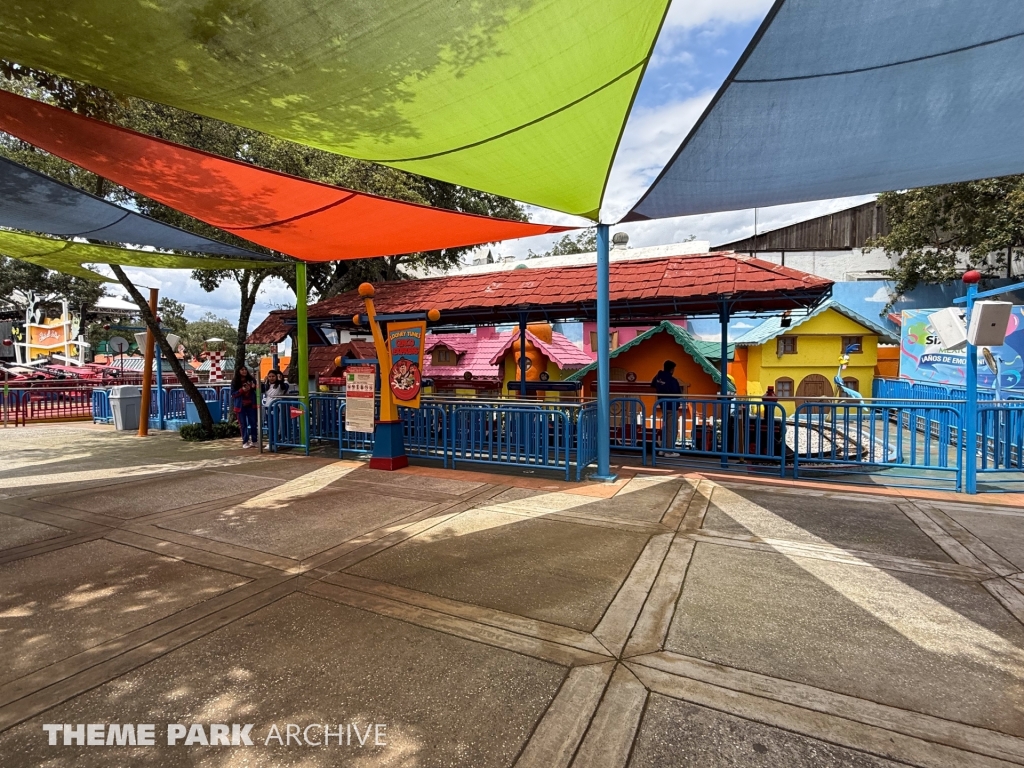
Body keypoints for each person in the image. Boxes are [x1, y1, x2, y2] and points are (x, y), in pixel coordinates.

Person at [651, 360, 682, 455]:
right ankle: (669, 451)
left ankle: (662, 449)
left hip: (663, 405)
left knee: (665, 428)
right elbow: (678, 393)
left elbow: (652, 384)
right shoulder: (673, 381)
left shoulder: (658, 377)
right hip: (672, 407)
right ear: (672, 370)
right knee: (672, 430)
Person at [231, 366, 258, 448]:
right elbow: (233, 394)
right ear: (238, 371)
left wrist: (254, 387)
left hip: (251, 404)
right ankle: (245, 441)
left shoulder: (252, 379)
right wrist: (242, 390)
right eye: (242, 369)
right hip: (240, 405)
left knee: (253, 423)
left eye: (245, 369)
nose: (244, 371)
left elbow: (259, 389)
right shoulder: (235, 381)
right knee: (243, 424)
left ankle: (254, 440)